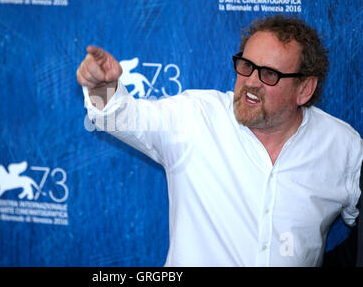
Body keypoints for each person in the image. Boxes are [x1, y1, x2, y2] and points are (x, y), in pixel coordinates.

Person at [77, 15, 362, 266]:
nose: (250, 81)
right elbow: (120, 116)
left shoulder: (342, 147)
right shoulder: (196, 118)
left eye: (269, 74)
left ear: (304, 89)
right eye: (246, 65)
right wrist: (102, 87)